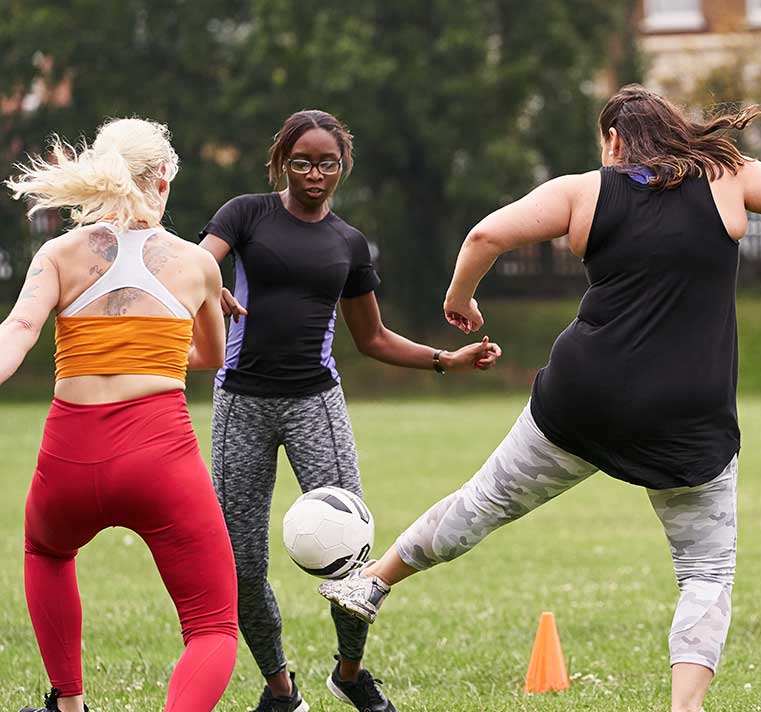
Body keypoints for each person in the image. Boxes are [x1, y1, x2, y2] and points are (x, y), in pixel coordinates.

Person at [318, 84, 761, 712]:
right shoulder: (727, 174)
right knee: (705, 570)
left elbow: (485, 236)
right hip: (688, 414)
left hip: (585, 397)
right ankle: (686, 707)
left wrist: (459, 300)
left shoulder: (584, 191)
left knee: (485, 500)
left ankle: (375, 581)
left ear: (615, 141)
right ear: (674, 131)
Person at [198, 109, 501, 712]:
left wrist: (448, 361)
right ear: (284, 161)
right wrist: (209, 279)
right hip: (241, 405)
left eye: (327, 162)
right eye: (303, 161)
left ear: (342, 167)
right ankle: (280, 688)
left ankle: (350, 673)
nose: (315, 172)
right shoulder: (246, 214)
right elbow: (196, 262)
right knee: (240, 564)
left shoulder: (347, 242)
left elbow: (374, 338)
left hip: (317, 403)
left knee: (352, 555)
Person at [3, 118, 237, 712]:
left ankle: (70, 704)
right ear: (162, 179)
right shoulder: (196, 264)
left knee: (47, 551)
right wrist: (153, 344)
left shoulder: (58, 253)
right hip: (160, 456)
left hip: (69, 456)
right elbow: (209, 355)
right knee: (212, 628)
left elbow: (20, 330)